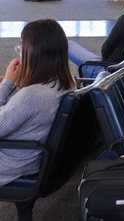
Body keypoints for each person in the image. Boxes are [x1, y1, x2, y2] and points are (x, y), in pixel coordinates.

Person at [0, 19, 74, 186]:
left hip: (10, 162)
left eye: (21, 47)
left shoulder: (31, 96)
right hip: (28, 157)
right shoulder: (65, 83)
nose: (19, 53)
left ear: (34, 53)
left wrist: (6, 85)